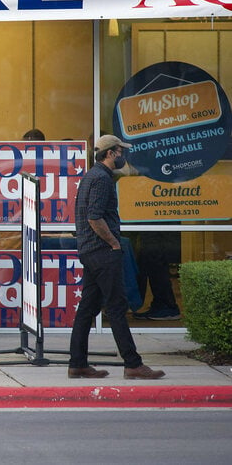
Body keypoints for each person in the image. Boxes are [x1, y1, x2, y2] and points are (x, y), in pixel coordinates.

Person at [68, 135, 165, 380]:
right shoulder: (101, 178)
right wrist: (113, 243)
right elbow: (94, 217)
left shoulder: (91, 176)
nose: (123, 155)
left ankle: (77, 364)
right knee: (117, 307)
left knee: (87, 308)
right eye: (121, 151)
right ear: (111, 153)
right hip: (102, 253)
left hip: (91, 252)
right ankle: (133, 364)